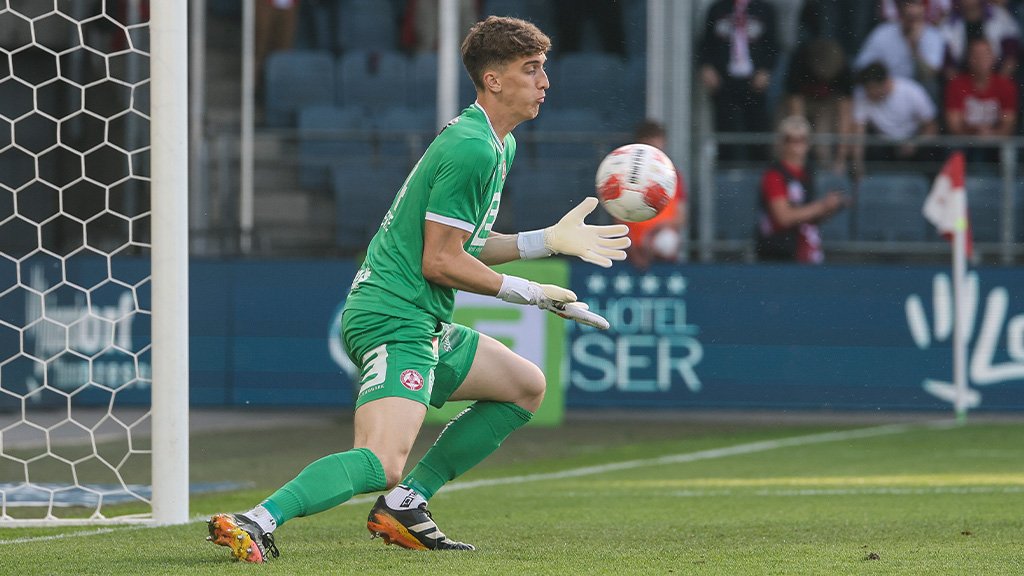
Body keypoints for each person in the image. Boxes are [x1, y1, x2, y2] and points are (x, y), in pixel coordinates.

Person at [206, 16, 630, 563]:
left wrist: (546, 240)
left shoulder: (497, 146)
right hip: (393, 314)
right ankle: (255, 520)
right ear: (494, 80)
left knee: (525, 386)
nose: (545, 81)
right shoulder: (472, 149)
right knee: (380, 461)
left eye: (544, 68)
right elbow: (440, 261)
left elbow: (467, 245)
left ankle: (405, 506)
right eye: (531, 70)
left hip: (421, 318)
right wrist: (535, 294)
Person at [756, 116, 848, 264]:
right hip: (779, 254)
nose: (797, 145)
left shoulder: (807, 175)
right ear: (782, 143)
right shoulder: (774, 175)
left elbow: (807, 217)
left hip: (802, 252)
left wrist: (830, 208)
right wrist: (822, 206)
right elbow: (783, 217)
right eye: (791, 139)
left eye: (802, 139)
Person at [697, 0, 780, 163]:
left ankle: (758, 168)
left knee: (757, 127)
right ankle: (726, 169)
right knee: (725, 126)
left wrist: (766, 69)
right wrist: (706, 66)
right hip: (724, 80)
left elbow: (773, 44)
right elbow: (706, 43)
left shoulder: (764, 9)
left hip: (754, 80)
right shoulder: (717, 9)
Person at [784, 0, 855, 171]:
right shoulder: (800, 59)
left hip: (826, 104)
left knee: (823, 146)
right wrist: (799, 141)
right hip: (802, 102)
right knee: (788, 138)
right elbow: (796, 111)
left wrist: (841, 158)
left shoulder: (843, 67)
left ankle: (826, 173)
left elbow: (845, 113)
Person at [850, 61, 939, 177]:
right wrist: (857, 163)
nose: (869, 94)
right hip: (884, 147)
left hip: (913, 142)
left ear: (885, 83)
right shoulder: (864, 98)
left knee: (931, 153)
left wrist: (915, 143)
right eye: (867, 90)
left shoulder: (911, 91)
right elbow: (859, 135)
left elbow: (932, 126)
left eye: (872, 89)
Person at [621, 120, 687, 270]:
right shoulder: (625, 176)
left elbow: (681, 218)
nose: (654, 152)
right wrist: (633, 251)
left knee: (666, 241)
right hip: (633, 249)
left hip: (661, 248)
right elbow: (619, 217)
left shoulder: (674, 176)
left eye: (657, 148)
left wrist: (655, 231)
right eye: (650, 148)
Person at [944, 36, 1019, 162]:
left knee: (1008, 150)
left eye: (985, 54)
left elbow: (1008, 125)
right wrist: (975, 132)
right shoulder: (956, 85)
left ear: (994, 58)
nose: (981, 59)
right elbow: (954, 125)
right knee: (954, 147)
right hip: (966, 140)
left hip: (996, 139)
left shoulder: (1006, 85)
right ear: (969, 59)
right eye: (976, 55)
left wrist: (991, 134)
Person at [854, 0, 946, 97]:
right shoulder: (883, 32)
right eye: (909, 17)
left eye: (915, 18)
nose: (912, 22)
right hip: (885, 89)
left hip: (916, 93)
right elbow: (862, 65)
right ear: (900, 13)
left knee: (931, 85)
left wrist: (914, 48)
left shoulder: (933, 36)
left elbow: (928, 75)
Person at [941, 0, 1021, 78]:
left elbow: (1011, 55)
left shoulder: (999, 15)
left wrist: (999, 82)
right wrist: (960, 85)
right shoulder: (948, 22)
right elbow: (947, 63)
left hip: (997, 75)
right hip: (962, 78)